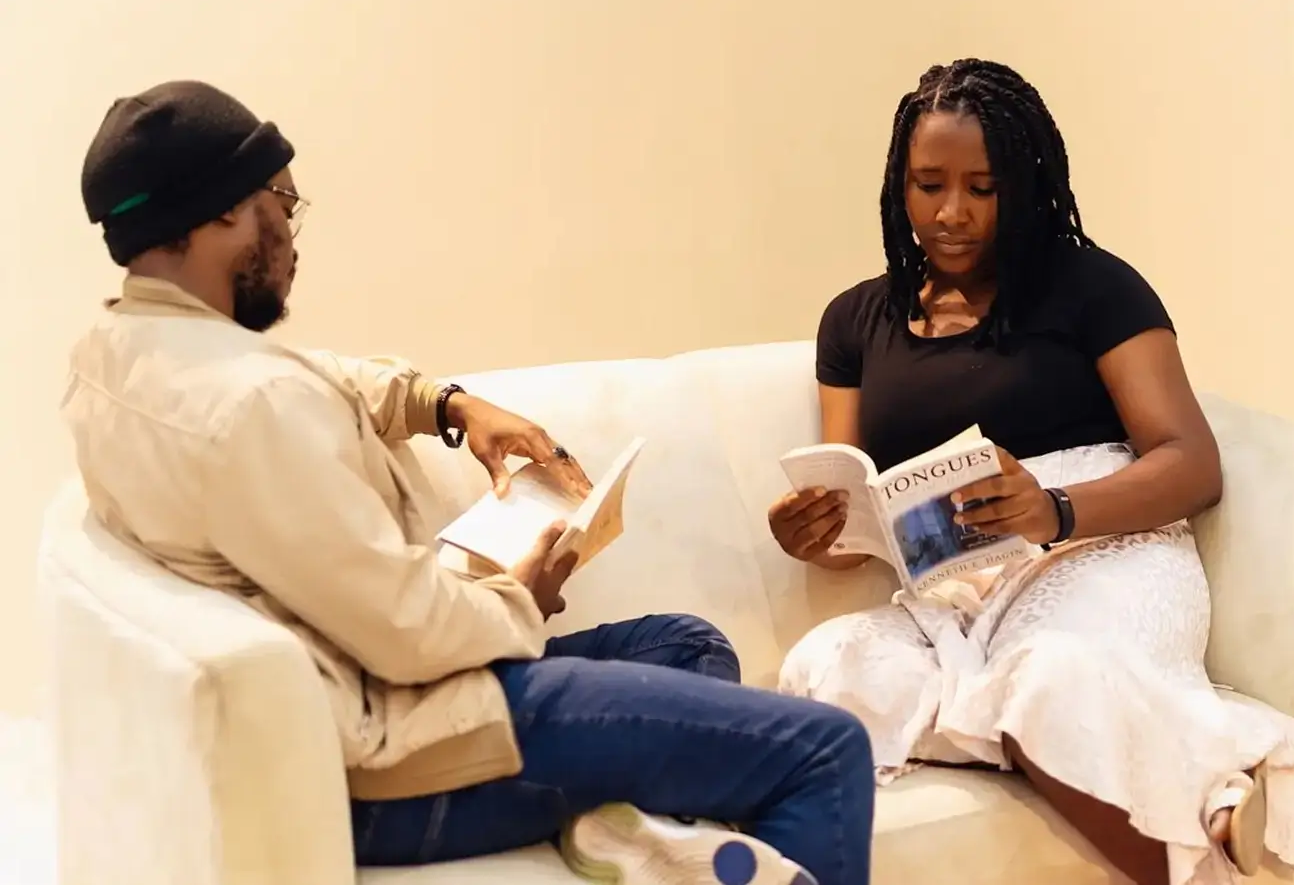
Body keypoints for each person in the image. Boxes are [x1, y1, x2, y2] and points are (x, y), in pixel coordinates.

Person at [63, 80, 874, 885]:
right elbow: (410, 631)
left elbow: (325, 379)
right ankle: (641, 815)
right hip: (408, 753)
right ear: (221, 212)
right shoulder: (252, 405)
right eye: (282, 202)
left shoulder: (122, 353)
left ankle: (631, 829)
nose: (293, 237)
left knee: (686, 644)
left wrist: (447, 404)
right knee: (824, 750)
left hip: (379, 704)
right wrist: (521, 594)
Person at [766, 59, 1294, 885]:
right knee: (830, 665)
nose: (952, 213)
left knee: (1049, 677)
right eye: (929, 185)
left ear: (1025, 185)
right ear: (898, 184)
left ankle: (1190, 844)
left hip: (1102, 545)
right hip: (955, 589)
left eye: (983, 188)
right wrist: (815, 534)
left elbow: (1193, 463)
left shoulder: (1094, 288)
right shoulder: (855, 321)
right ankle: (1204, 779)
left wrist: (1053, 510)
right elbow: (853, 507)